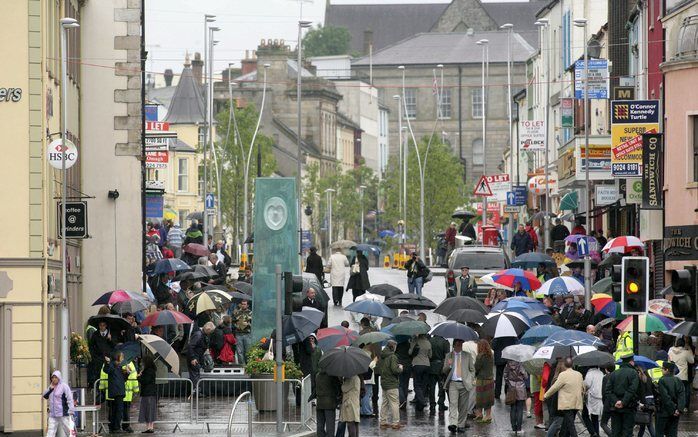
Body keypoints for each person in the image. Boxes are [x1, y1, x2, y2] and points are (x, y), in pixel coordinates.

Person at [544, 357, 584, 437]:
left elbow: (555, 387)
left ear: (565, 365)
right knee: (567, 423)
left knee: (570, 425)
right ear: (572, 364)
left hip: (567, 404)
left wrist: (546, 395)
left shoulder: (563, 375)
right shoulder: (579, 374)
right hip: (577, 403)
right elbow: (583, 387)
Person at [443, 338, 475, 433]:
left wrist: (470, 379)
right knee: (453, 404)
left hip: (464, 383)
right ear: (454, 345)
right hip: (453, 383)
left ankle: (461, 424)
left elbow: (472, 369)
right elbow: (444, 371)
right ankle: (453, 423)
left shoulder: (467, 355)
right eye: (457, 345)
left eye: (461, 345)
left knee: (463, 406)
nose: (459, 347)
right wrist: (448, 365)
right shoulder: (449, 356)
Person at [605, 353, 640, 437]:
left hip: (615, 407)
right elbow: (632, 390)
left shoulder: (614, 374)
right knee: (627, 432)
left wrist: (616, 401)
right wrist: (623, 402)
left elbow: (608, 390)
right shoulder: (634, 373)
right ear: (631, 362)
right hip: (629, 407)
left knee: (616, 431)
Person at [378, 340, 403, 429]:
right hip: (391, 383)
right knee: (394, 403)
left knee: (384, 402)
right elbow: (394, 370)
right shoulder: (393, 357)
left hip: (384, 382)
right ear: (393, 347)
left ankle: (383, 421)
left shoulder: (382, 355)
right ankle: (396, 422)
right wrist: (400, 368)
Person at [656, 361, 685, 437]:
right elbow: (681, 396)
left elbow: (665, 397)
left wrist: (673, 410)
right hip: (676, 413)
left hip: (664, 412)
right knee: (672, 433)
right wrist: (679, 409)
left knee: (659, 432)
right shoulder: (678, 380)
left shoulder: (662, 380)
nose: (661, 370)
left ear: (667, 370)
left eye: (663, 369)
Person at [43, 370, 75, 437]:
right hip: (53, 414)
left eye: (55, 377)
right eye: (53, 377)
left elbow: (69, 399)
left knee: (69, 430)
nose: (54, 379)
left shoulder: (64, 386)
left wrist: (71, 410)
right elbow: (45, 396)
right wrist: (50, 388)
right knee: (50, 432)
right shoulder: (51, 387)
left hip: (63, 413)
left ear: (59, 378)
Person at [186, 322, 215, 394]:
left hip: (196, 357)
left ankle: (196, 390)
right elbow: (190, 346)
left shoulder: (201, 335)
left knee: (196, 374)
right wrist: (193, 358)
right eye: (211, 331)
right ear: (208, 329)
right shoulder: (199, 335)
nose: (211, 333)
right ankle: (196, 391)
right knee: (195, 374)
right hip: (194, 357)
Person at [668, 337, 694, 413]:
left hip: (673, 375)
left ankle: (675, 406)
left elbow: (668, 360)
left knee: (674, 391)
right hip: (683, 376)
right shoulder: (686, 351)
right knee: (684, 392)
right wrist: (689, 350)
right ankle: (684, 407)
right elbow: (692, 361)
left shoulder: (670, 350)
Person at [104, 352, 127, 433]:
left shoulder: (119, 367)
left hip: (119, 390)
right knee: (118, 410)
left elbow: (122, 379)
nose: (123, 358)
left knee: (116, 409)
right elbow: (106, 370)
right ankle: (116, 427)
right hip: (117, 390)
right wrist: (107, 362)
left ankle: (114, 426)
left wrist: (127, 373)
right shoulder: (113, 365)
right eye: (122, 357)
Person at [504, 359, 528, 435]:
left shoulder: (508, 365)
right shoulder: (521, 365)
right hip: (520, 388)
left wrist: (510, 383)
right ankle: (519, 428)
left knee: (513, 408)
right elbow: (526, 376)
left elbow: (505, 377)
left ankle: (513, 428)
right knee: (520, 408)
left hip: (511, 388)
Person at [409, 333, 432, 411]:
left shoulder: (415, 341)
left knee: (417, 384)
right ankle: (420, 402)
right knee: (423, 385)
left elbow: (410, 352)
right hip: (427, 365)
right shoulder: (428, 342)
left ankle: (422, 401)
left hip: (417, 364)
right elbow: (430, 355)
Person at [88, 321, 115, 387]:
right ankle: (98, 391)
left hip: (108, 359)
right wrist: (94, 356)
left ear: (106, 326)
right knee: (98, 375)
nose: (102, 327)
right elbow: (91, 346)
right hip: (98, 359)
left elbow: (115, 346)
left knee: (108, 374)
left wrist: (110, 340)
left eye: (103, 325)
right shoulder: (95, 334)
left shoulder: (111, 334)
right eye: (100, 325)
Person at [428, 334, 451, 414]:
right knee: (442, 386)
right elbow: (448, 356)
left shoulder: (430, 341)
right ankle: (441, 403)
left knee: (432, 386)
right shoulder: (445, 342)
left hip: (431, 366)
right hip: (441, 366)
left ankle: (432, 404)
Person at [315, 370, 342, 437]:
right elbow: (337, 388)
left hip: (319, 403)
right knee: (330, 427)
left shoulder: (317, 375)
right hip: (329, 404)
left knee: (320, 426)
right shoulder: (332, 376)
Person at [474, 339, 494, 423]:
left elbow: (476, 367)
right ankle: (488, 415)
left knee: (479, 398)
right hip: (490, 379)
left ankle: (479, 414)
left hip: (481, 379)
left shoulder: (480, 356)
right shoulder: (491, 355)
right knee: (488, 399)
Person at [138, 355, 158, 433]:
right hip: (150, 393)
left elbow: (145, 381)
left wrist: (139, 377)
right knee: (149, 410)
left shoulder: (148, 371)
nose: (142, 363)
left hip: (148, 393)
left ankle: (150, 428)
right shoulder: (150, 370)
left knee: (148, 410)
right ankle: (149, 427)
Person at [584, 366, 604, 437]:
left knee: (585, 415)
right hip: (600, 398)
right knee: (595, 417)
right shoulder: (601, 373)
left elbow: (586, 385)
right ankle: (596, 433)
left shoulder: (590, 373)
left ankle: (593, 432)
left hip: (592, 398)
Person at [636, 367, 656, 437]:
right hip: (651, 400)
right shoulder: (649, 378)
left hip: (645, 401)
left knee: (648, 423)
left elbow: (642, 392)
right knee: (643, 422)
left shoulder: (641, 379)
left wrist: (642, 404)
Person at [232, 300, 252, 364]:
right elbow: (232, 322)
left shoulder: (251, 313)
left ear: (247, 305)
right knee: (239, 351)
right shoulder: (236, 312)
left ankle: (248, 365)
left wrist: (248, 324)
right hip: (238, 333)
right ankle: (241, 365)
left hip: (247, 333)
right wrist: (236, 326)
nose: (243, 305)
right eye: (242, 304)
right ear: (240, 304)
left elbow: (255, 323)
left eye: (245, 304)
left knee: (248, 350)